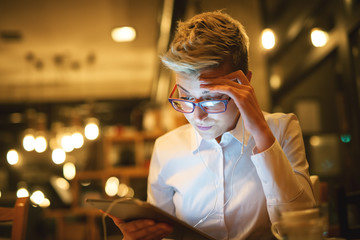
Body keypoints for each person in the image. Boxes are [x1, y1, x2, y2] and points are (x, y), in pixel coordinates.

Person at [109, 10, 316, 240]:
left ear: (244, 82)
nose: (197, 116)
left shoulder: (282, 129)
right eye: (186, 98)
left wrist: (261, 134)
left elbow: (303, 230)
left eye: (211, 99)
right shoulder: (165, 148)